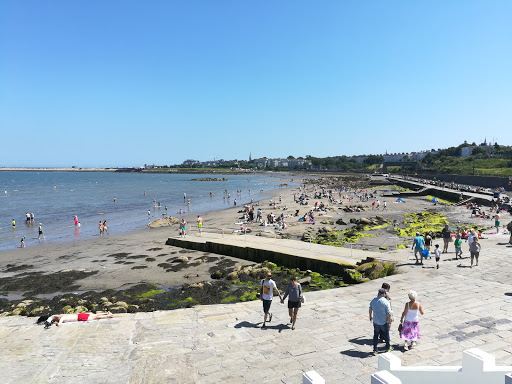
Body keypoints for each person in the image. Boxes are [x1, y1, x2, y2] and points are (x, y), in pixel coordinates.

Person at [369, 288, 393, 355]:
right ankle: (388, 347)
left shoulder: (373, 300)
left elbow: (370, 309)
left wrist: (370, 316)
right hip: (384, 322)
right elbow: (388, 313)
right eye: (385, 293)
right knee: (386, 334)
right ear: (383, 294)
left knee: (376, 335)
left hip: (376, 321)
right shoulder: (386, 302)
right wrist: (390, 322)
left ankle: (375, 349)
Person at [37, 312, 114, 328]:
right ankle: (106, 313)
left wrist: (56, 324)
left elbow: (59, 324)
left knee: (95, 318)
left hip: (79, 318)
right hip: (79, 315)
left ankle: (108, 316)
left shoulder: (62, 318)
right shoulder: (62, 315)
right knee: (94, 315)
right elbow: (55, 317)